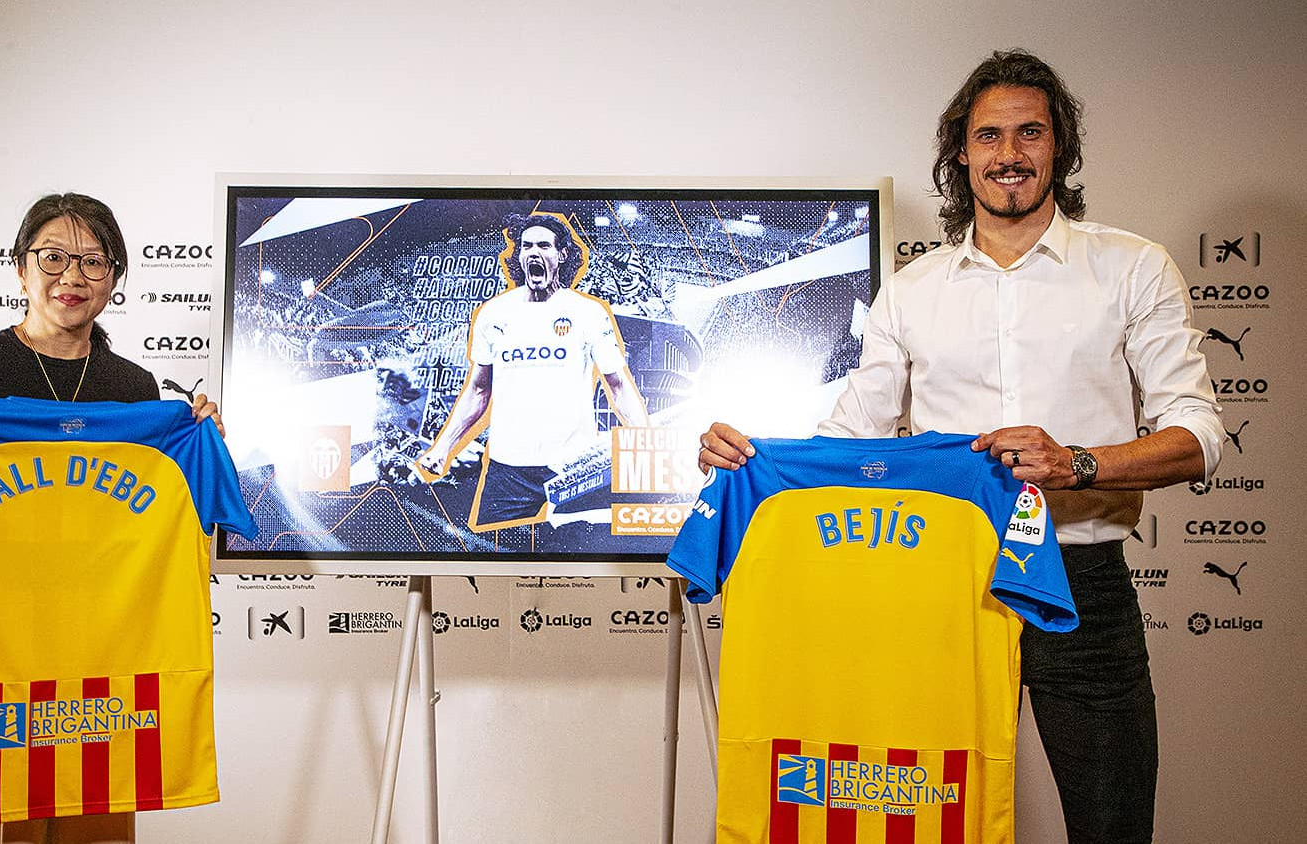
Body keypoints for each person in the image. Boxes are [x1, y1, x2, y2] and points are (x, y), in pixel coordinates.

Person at [699, 50, 1225, 843]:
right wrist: (748, 459)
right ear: (961, 154)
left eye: (1030, 133)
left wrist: (1077, 464)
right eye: (989, 136)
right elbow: (848, 441)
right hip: (941, 587)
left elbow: (1200, 438)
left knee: (1113, 826)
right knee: (926, 821)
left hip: (1081, 582)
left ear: (1059, 146)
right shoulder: (913, 290)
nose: (1009, 154)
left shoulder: (1132, 268)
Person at [0, 192, 224, 844]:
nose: (73, 276)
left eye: (94, 261)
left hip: (104, 662)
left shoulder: (135, 390)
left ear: (114, 278)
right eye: (54, 257)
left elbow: (173, 527)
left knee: (101, 819)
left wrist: (199, 446)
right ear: (21, 268)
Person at [416, 212, 649, 530]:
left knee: (579, 556)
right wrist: (442, 448)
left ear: (561, 254)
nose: (534, 253)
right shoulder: (493, 314)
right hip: (508, 470)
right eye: (526, 246)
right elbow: (479, 390)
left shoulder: (588, 313)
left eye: (544, 245)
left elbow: (618, 386)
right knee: (493, 553)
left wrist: (645, 444)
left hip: (573, 467)